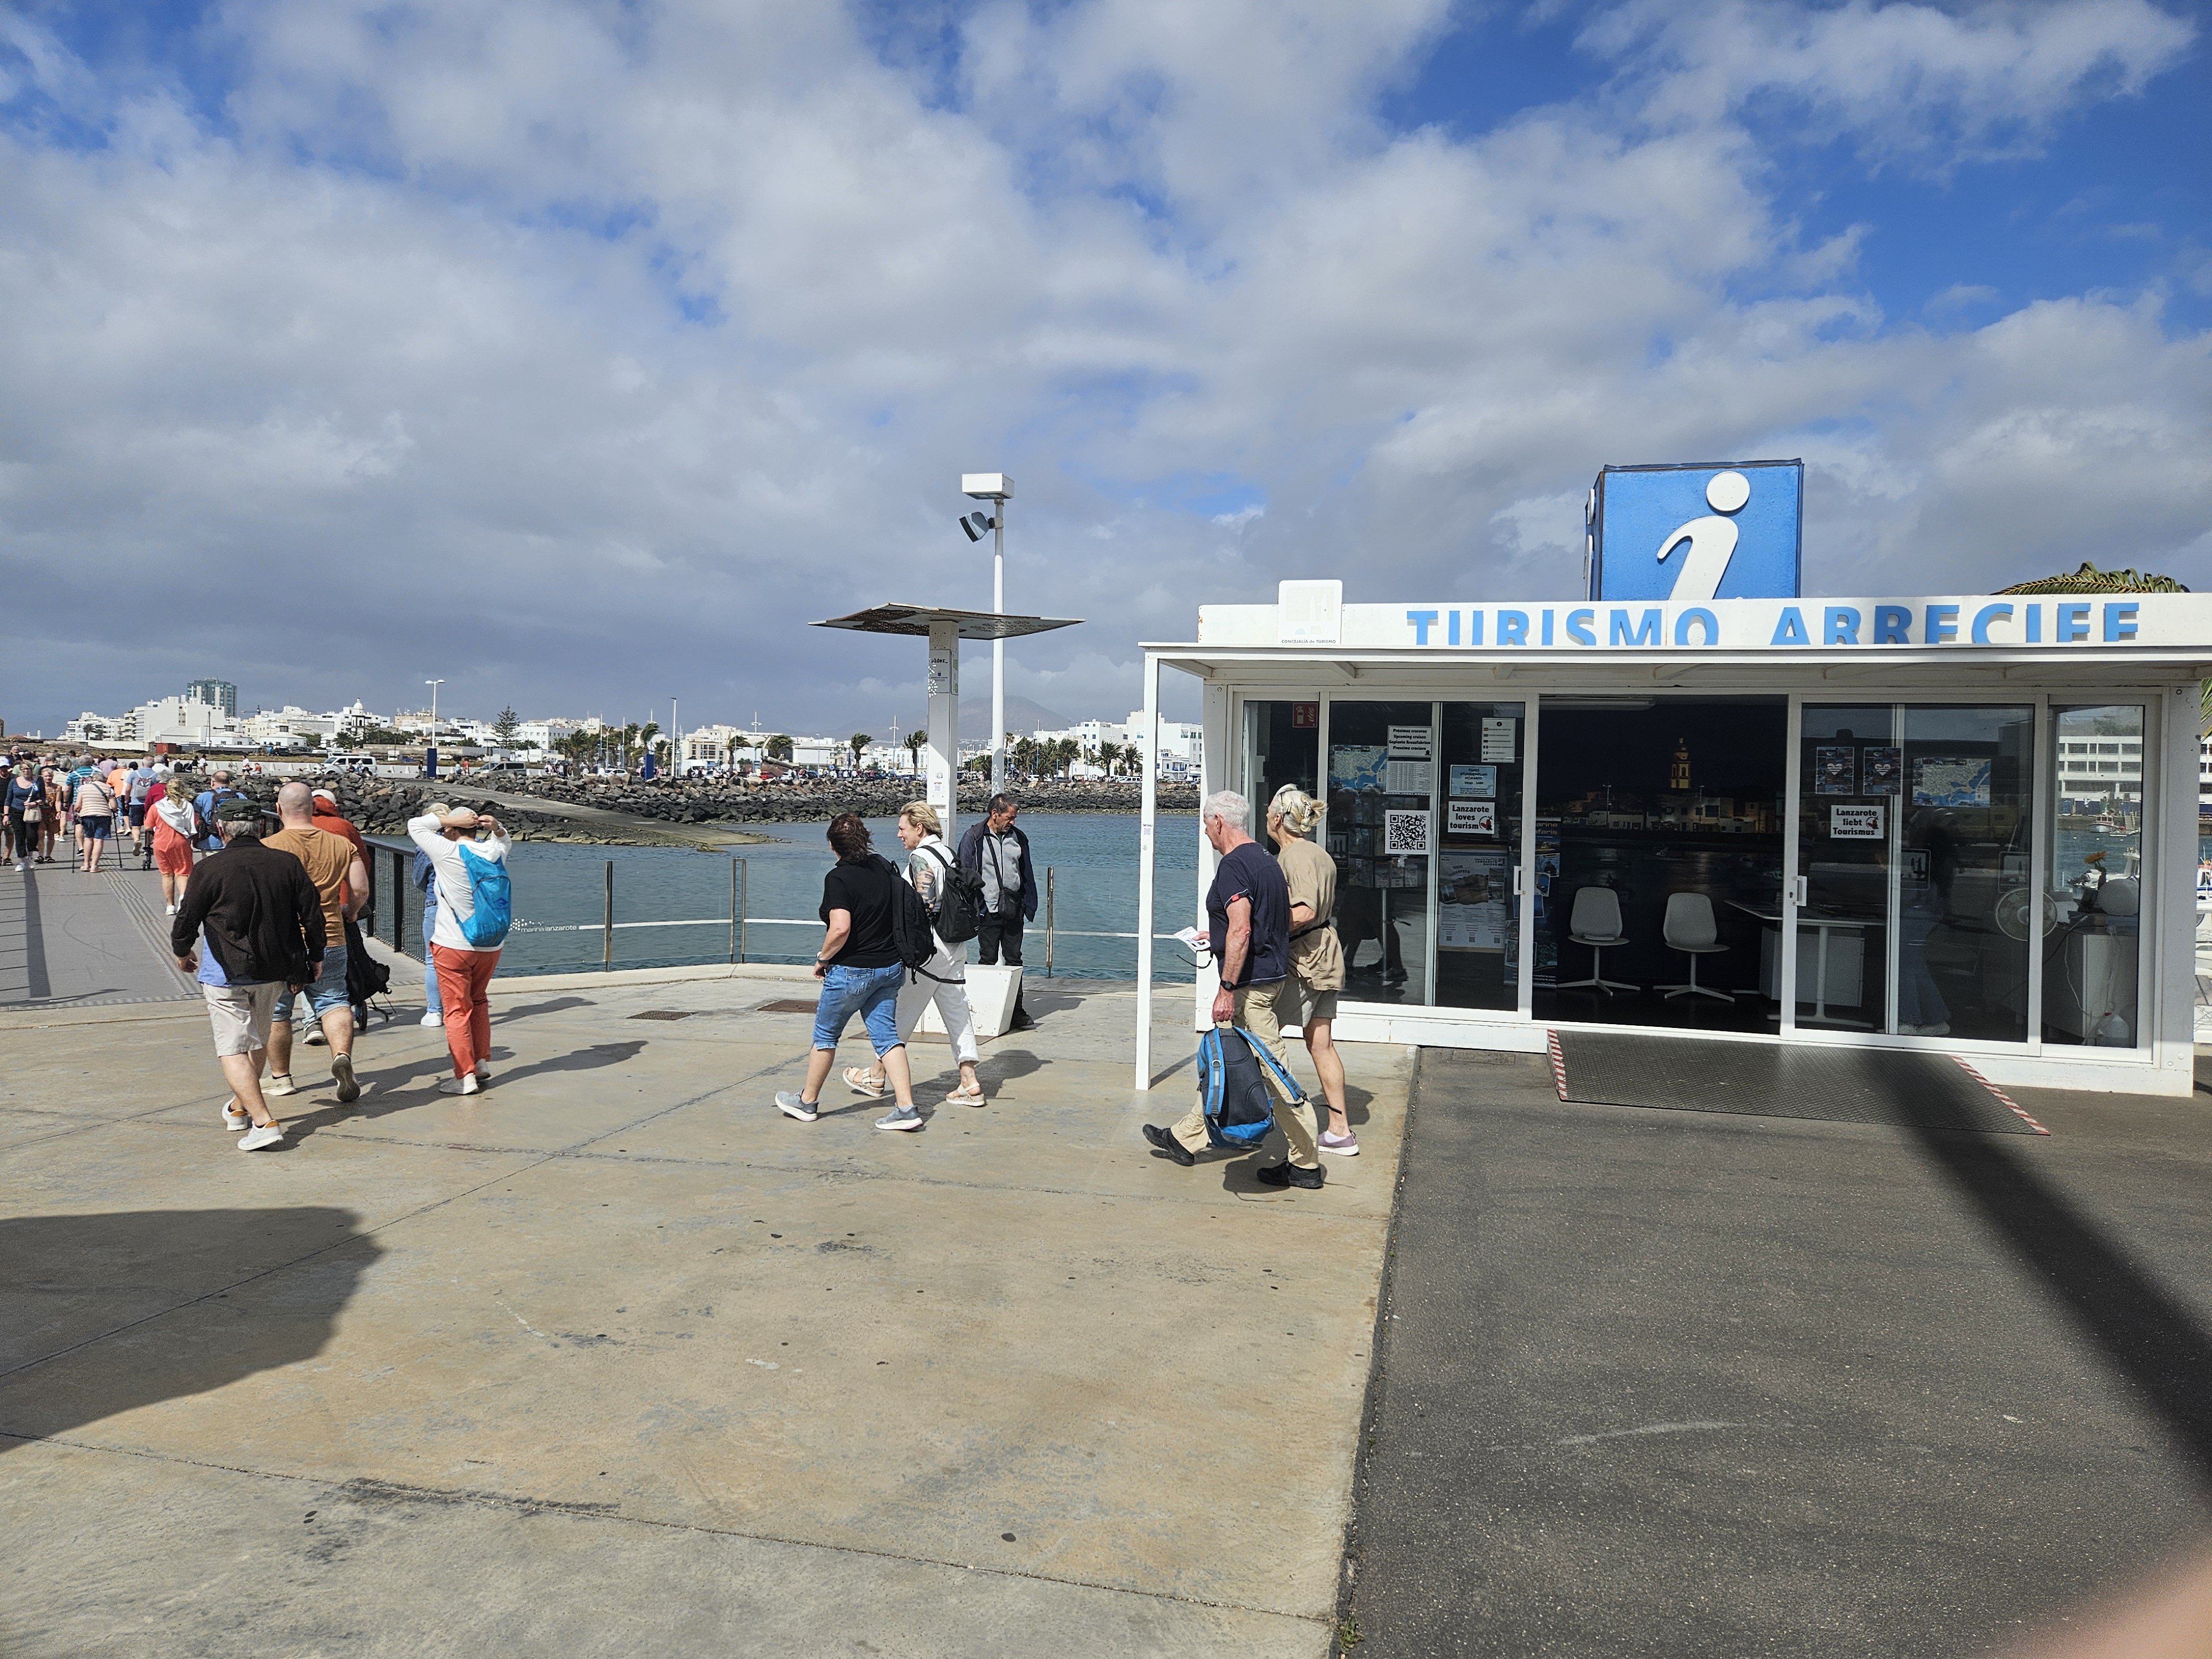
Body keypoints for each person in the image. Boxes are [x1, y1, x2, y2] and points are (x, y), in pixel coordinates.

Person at [1144, 789, 1323, 1188]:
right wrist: (1218, 935)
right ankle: (1185, 1138)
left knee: (1275, 1074)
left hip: (1249, 988)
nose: (1205, 831)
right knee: (1227, 1063)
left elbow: (1242, 929)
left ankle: (1306, 1164)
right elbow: (1260, 922)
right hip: (1267, 978)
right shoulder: (1265, 860)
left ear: (1219, 822)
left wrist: (1226, 988)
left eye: (1206, 824)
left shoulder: (1234, 866)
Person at [170, 798, 326, 1152]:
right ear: (262, 827)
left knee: (234, 1048)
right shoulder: (287, 863)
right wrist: (315, 956)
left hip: (225, 972)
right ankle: (239, 1107)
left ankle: (263, 1122)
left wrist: (182, 951)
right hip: (274, 969)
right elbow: (312, 914)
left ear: (220, 829)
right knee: (257, 1040)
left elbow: (187, 917)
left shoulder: (209, 869)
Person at [775, 812, 925, 1131]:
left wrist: (823, 958)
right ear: (865, 838)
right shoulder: (883, 866)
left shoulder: (838, 879)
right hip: (890, 968)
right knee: (887, 1038)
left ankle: (807, 1102)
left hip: (852, 972)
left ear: (833, 845)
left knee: (826, 1036)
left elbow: (840, 928)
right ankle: (906, 1108)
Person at [842, 801, 986, 1108]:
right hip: (954, 946)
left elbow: (924, 904)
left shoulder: (921, 857)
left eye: (902, 828)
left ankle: (876, 1075)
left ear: (919, 828)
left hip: (929, 948)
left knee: (900, 1012)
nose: (899, 834)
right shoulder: (947, 853)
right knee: (957, 1011)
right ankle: (969, 1080)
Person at [263, 782, 369, 1104]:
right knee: (334, 1001)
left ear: (279, 810)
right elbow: (360, 889)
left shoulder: (268, 847)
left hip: (284, 941)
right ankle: (341, 1056)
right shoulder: (341, 844)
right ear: (312, 808)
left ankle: (281, 1078)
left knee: (278, 1011)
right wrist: (351, 912)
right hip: (331, 934)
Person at [1266, 785, 1356, 1155]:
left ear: (1277, 818)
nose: (1266, 815)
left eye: (1269, 811)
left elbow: (1304, 911)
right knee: (1321, 1044)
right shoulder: (1318, 854)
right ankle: (1340, 1131)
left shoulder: (1296, 857)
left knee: (1259, 1036)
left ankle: (1254, 1121)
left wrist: (1259, 927)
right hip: (1323, 955)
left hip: (1305, 960)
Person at [407, 805, 511, 1095]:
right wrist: (496, 827)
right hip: (490, 945)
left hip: (453, 945)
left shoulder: (447, 851)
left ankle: (465, 1077)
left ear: (453, 829)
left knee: (456, 1011)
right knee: (478, 1000)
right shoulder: (492, 852)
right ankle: (480, 1062)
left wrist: (448, 819)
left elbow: (415, 825)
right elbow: (504, 841)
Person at [956, 793, 1037, 1031]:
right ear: (995, 814)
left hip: (1014, 909)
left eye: (1014, 818)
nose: (1013, 822)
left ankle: (1016, 1010)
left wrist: (1028, 903)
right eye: (1009, 817)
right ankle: (985, 1008)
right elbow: (964, 873)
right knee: (987, 960)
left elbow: (1026, 871)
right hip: (986, 910)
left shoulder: (1019, 838)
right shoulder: (974, 837)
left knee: (1014, 960)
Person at [412, 800, 450, 1028]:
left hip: (435, 904)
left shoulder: (427, 845)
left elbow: (419, 880)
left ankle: (435, 1011)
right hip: (463, 906)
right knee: (462, 958)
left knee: (432, 960)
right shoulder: (467, 842)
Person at [150, 776, 199, 912]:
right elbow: (193, 824)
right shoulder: (187, 806)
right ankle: (183, 898)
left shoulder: (157, 807)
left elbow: (148, 826)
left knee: (167, 874)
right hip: (181, 841)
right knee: (182, 873)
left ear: (165, 792)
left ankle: (170, 906)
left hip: (161, 842)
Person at [72, 766, 118, 874]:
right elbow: (114, 806)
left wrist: (77, 811)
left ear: (92, 779)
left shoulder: (83, 788)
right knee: (99, 840)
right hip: (103, 816)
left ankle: (86, 865)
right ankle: (94, 866)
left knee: (88, 839)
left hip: (87, 815)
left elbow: (78, 805)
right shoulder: (109, 789)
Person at [194, 769, 241, 853]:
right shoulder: (240, 796)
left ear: (212, 782)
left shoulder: (203, 797)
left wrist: (195, 841)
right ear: (229, 782)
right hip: (236, 842)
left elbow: (196, 822)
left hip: (210, 843)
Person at [7, 760, 41, 872]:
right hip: (16, 811)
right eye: (24, 769)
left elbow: (43, 798)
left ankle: (30, 856)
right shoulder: (14, 782)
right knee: (20, 836)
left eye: (28, 769)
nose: (26, 771)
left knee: (32, 836)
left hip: (32, 812)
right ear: (20, 770)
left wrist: (34, 803)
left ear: (32, 770)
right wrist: (6, 815)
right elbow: (9, 799)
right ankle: (21, 860)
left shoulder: (37, 781)